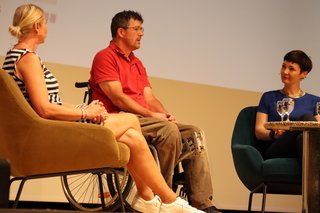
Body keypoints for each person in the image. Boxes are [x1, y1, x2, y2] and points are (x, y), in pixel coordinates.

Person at [3, 4, 205, 213]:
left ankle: (153, 199)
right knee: (130, 121)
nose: (47, 27)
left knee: (132, 138)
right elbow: (44, 109)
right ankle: (165, 201)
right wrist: (85, 113)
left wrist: (84, 107)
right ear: (37, 26)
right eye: (45, 23)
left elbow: (49, 103)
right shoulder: (28, 59)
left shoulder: (17, 56)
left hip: (45, 128)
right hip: (45, 133)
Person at [89, 10, 220, 213]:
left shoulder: (137, 63)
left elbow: (150, 99)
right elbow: (117, 97)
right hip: (119, 119)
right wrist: (153, 117)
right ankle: (164, 198)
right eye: (137, 28)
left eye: (142, 28)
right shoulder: (105, 57)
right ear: (121, 32)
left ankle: (202, 202)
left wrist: (165, 114)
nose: (142, 33)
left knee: (194, 133)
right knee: (167, 131)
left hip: (144, 119)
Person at [255, 50, 320, 163]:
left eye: (291, 68)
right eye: (283, 66)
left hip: (303, 147)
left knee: (303, 139)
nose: (285, 71)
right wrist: (274, 134)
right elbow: (259, 130)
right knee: (307, 118)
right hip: (277, 148)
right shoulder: (268, 97)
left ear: (304, 74)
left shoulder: (315, 101)